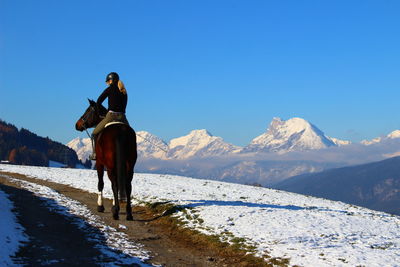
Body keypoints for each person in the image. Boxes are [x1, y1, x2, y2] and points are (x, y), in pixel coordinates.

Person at [90, 72, 130, 160]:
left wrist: (104, 111)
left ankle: (94, 154)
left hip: (111, 116)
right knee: (130, 135)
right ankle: (129, 154)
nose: (107, 83)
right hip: (123, 117)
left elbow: (99, 101)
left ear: (111, 80)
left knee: (95, 133)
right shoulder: (124, 91)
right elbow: (124, 106)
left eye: (107, 81)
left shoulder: (109, 89)